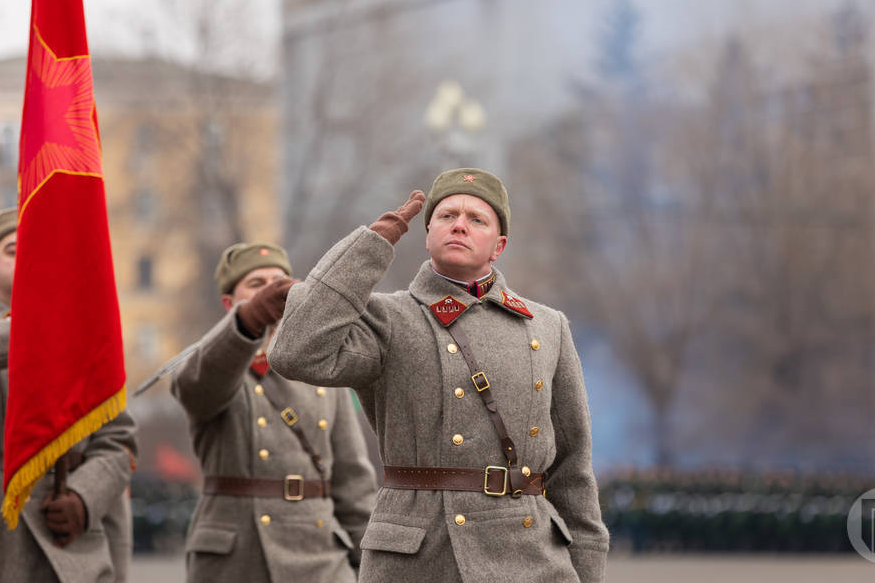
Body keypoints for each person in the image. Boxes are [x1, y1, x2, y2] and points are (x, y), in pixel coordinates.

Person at [268, 168, 610, 582]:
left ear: (498, 245)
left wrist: (589, 570)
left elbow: (573, 469)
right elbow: (294, 353)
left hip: (529, 555)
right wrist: (371, 245)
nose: (460, 224)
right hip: (418, 555)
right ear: (428, 233)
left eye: (477, 219)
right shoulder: (388, 318)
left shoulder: (546, 325)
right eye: (447, 216)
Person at [169, 241, 377, 583]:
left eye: (279, 281)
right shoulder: (210, 364)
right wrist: (247, 322)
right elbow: (197, 388)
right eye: (255, 285)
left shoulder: (320, 367)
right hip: (237, 559)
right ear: (228, 303)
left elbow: (352, 482)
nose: (271, 292)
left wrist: (367, 563)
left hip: (319, 558)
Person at [0, 207, 138, 583]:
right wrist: (47, 323)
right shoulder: (71, 326)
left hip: (72, 552)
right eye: (14, 249)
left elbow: (118, 441)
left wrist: (85, 497)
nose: (30, 257)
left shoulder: (85, 335)